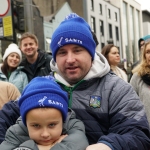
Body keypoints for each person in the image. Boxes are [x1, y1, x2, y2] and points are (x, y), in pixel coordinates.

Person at [0, 13, 150, 150]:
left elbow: (138, 134)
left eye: (77, 50)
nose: (70, 59)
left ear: (91, 54)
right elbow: (6, 117)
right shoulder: (41, 87)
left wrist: (108, 145)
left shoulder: (116, 89)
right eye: (62, 52)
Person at [0, 77, 89, 150]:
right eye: (36, 125)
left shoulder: (72, 125)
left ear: (63, 118)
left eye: (52, 125)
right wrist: (40, 148)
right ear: (25, 121)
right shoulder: (16, 132)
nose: (45, 134)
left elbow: (80, 144)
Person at [130, 41, 150, 124]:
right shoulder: (138, 76)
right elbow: (129, 104)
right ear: (144, 55)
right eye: (148, 52)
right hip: (146, 131)